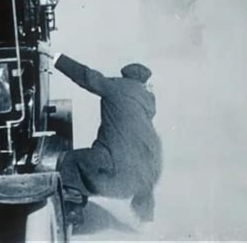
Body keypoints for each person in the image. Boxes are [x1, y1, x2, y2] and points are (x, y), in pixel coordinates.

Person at [49, 53, 162, 225]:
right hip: (143, 176)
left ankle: (74, 210)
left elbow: (86, 76)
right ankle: (146, 221)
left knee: (69, 160)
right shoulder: (147, 100)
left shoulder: (115, 87)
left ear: (125, 77)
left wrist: (57, 58)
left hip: (113, 170)